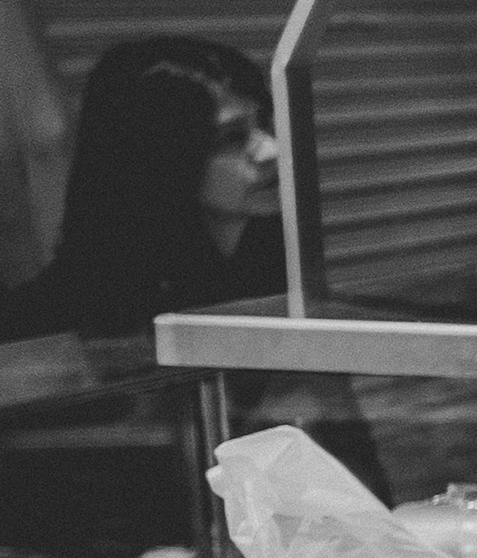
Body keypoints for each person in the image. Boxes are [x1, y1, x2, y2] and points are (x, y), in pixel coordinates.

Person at [0, 36, 285, 341]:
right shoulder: (44, 321)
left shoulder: (276, 262)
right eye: (231, 137)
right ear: (156, 156)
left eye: (266, 123)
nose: (272, 150)